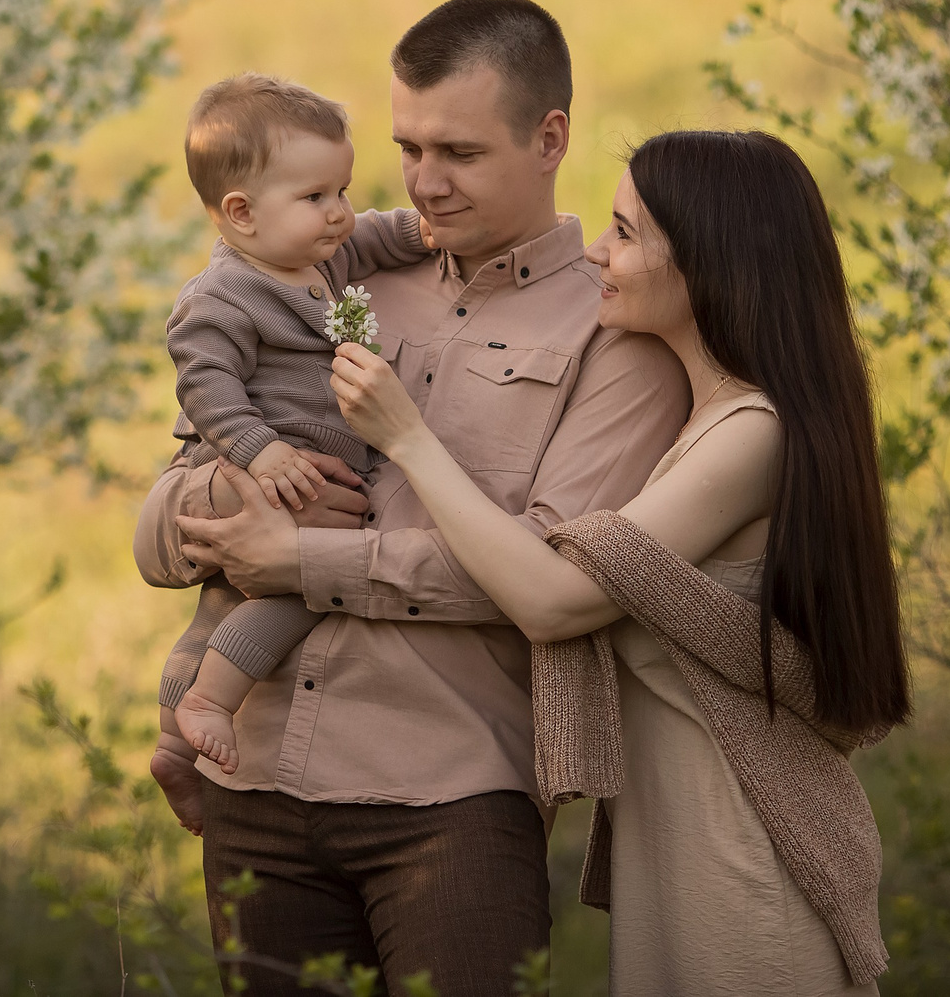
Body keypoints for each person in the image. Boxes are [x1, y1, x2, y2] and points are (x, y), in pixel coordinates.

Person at [134, 0, 690, 997]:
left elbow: (551, 576)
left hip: (448, 800)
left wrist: (298, 559)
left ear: (549, 136)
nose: (424, 185)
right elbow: (159, 522)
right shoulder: (331, 273)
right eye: (409, 148)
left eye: (461, 155)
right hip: (254, 782)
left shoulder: (614, 333)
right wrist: (222, 498)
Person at [327, 130, 911, 996]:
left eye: (627, 232)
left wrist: (407, 437)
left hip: (742, 873)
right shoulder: (698, 428)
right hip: (676, 868)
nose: (599, 248)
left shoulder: (755, 432)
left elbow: (555, 599)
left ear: (711, 261)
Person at [154, 74, 432, 789]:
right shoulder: (222, 295)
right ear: (241, 213)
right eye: (317, 198)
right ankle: (209, 703)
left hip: (306, 474)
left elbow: (372, 233)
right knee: (292, 593)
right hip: (269, 471)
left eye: (340, 189)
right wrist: (261, 451)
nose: (340, 212)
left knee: (221, 607)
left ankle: (172, 741)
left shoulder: (316, 253)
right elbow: (204, 383)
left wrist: (420, 228)